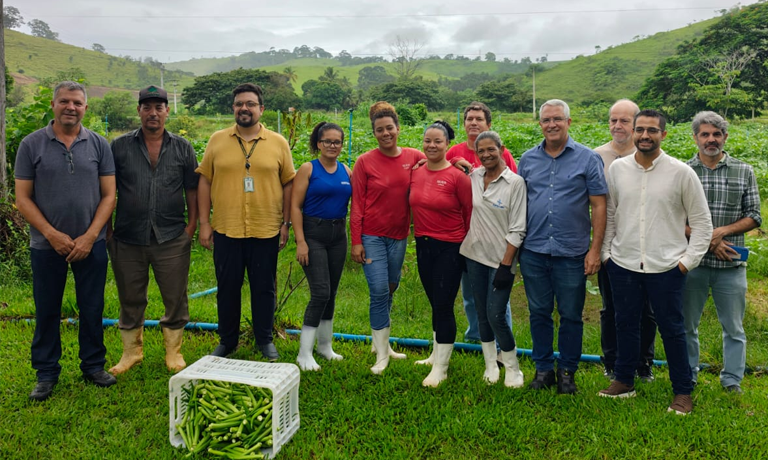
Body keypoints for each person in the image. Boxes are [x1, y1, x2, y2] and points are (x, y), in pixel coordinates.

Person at [599, 109, 712, 416]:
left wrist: (687, 261)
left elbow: (702, 223)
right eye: (640, 130)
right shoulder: (618, 170)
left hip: (667, 267)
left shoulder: (681, 173)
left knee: (672, 329)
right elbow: (611, 215)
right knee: (625, 323)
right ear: (633, 133)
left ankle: (682, 391)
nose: (645, 136)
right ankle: (624, 380)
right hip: (623, 263)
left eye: (652, 130)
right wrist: (607, 255)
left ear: (664, 134)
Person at [15, 81, 117, 401]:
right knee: (47, 309)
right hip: (46, 246)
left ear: (86, 107)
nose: (70, 107)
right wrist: (51, 234)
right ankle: (46, 373)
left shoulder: (100, 145)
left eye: (77, 102)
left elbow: (109, 194)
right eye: (64, 101)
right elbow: (23, 198)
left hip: (92, 244)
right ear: (53, 104)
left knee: (91, 307)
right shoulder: (31, 145)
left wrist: (90, 237)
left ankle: (93, 365)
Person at [196, 83, 295, 361]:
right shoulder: (217, 139)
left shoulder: (278, 142)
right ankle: (227, 341)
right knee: (228, 286)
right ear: (233, 108)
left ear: (261, 109)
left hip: (266, 228)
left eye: (250, 104)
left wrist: (285, 224)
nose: (244, 108)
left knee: (264, 287)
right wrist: (205, 223)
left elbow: (288, 183)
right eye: (239, 103)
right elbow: (204, 180)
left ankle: (264, 339)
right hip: (227, 228)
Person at [517, 99, 607, 394]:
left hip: (572, 252)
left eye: (557, 119)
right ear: (540, 124)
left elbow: (599, 205)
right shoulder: (528, 160)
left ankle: (567, 371)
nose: (551, 124)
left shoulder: (588, 158)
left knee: (570, 314)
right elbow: (520, 204)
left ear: (569, 122)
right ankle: (543, 369)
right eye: (546, 120)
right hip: (534, 250)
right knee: (539, 311)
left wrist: (595, 250)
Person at [107, 85, 199, 375]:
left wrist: (191, 228)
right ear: (139, 111)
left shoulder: (183, 147)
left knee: (175, 295)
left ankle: (174, 352)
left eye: (159, 107)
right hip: (127, 235)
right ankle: (131, 352)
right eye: (147, 107)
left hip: (171, 236)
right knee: (130, 294)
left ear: (167, 111)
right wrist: (108, 231)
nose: (153, 113)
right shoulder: (119, 146)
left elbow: (192, 190)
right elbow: (107, 190)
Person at [683, 111, 762, 395]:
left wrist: (721, 232)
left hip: (731, 267)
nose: (711, 139)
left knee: (734, 328)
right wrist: (709, 239)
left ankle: (732, 381)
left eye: (717, 134)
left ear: (725, 137)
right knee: (687, 325)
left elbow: (754, 216)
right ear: (695, 138)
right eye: (705, 134)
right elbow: (675, 218)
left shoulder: (744, 170)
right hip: (694, 262)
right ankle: (688, 375)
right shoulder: (683, 171)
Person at [350, 101, 424, 374]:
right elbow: (357, 204)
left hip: (399, 235)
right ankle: (381, 355)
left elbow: (438, 164)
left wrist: (459, 161)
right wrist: (356, 240)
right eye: (379, 130)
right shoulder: (364, 162)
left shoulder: (414, 157)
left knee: (391, 287)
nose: (385, 133)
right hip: (372, 236)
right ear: (374, 133)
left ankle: (382, 343)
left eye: (389, 128)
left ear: (398, 129)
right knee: (379, 289)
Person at [594, 99, 657, 382]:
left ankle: (644, 363)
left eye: (624, 121)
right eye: (613, 120)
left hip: (645, 246)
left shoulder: (648, 154)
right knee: (611, 308)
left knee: (647, 309)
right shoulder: (595, 156)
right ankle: (612, 361)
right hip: (609, 245)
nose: (618, 126)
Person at [459, 131, 527, 388]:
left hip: (501, 260)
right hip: (474, 256)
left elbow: (518, 228)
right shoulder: (474, 176)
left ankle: (512, 366)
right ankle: (490, 365)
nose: (486, 155)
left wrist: (506, 264)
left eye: (491, 149)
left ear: (501, 149)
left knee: (496, 313)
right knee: (481, 313)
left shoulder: (515, 183)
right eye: (481, 151)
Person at [447, 101, 517, 344]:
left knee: (498, 298)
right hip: (464, 236)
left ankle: (500, 341)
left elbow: (512, 190)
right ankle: (476, 335)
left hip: (496, 238)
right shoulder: (453, 152)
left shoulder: (502, 153)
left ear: (489, 124)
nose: (474, 122)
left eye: (479, 119)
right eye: (470, 119)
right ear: (464, 123)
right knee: (471, 294)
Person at [410, 121, 472, 387]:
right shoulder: (417, 171)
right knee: (435, 302)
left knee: (444, 305)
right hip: (423, 244)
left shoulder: (458, 177)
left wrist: (468, 251)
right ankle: (436, 355)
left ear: (448, 144)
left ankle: (442, 368)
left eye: (438, 141)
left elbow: (470, 214)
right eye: (427, 141)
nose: (431, 145)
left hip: (451, 246)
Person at [292, 122, 352, 371]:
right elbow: (295, 207)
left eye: (336, 142)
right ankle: (304, 353)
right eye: (327, 141)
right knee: (320, 292)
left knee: (332, 293)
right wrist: (301, 242)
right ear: (318, 143)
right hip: (313, 233)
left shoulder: (346, 170)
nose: (332, 146)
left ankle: (324, 346)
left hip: (338, 234)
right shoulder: (308, 169)